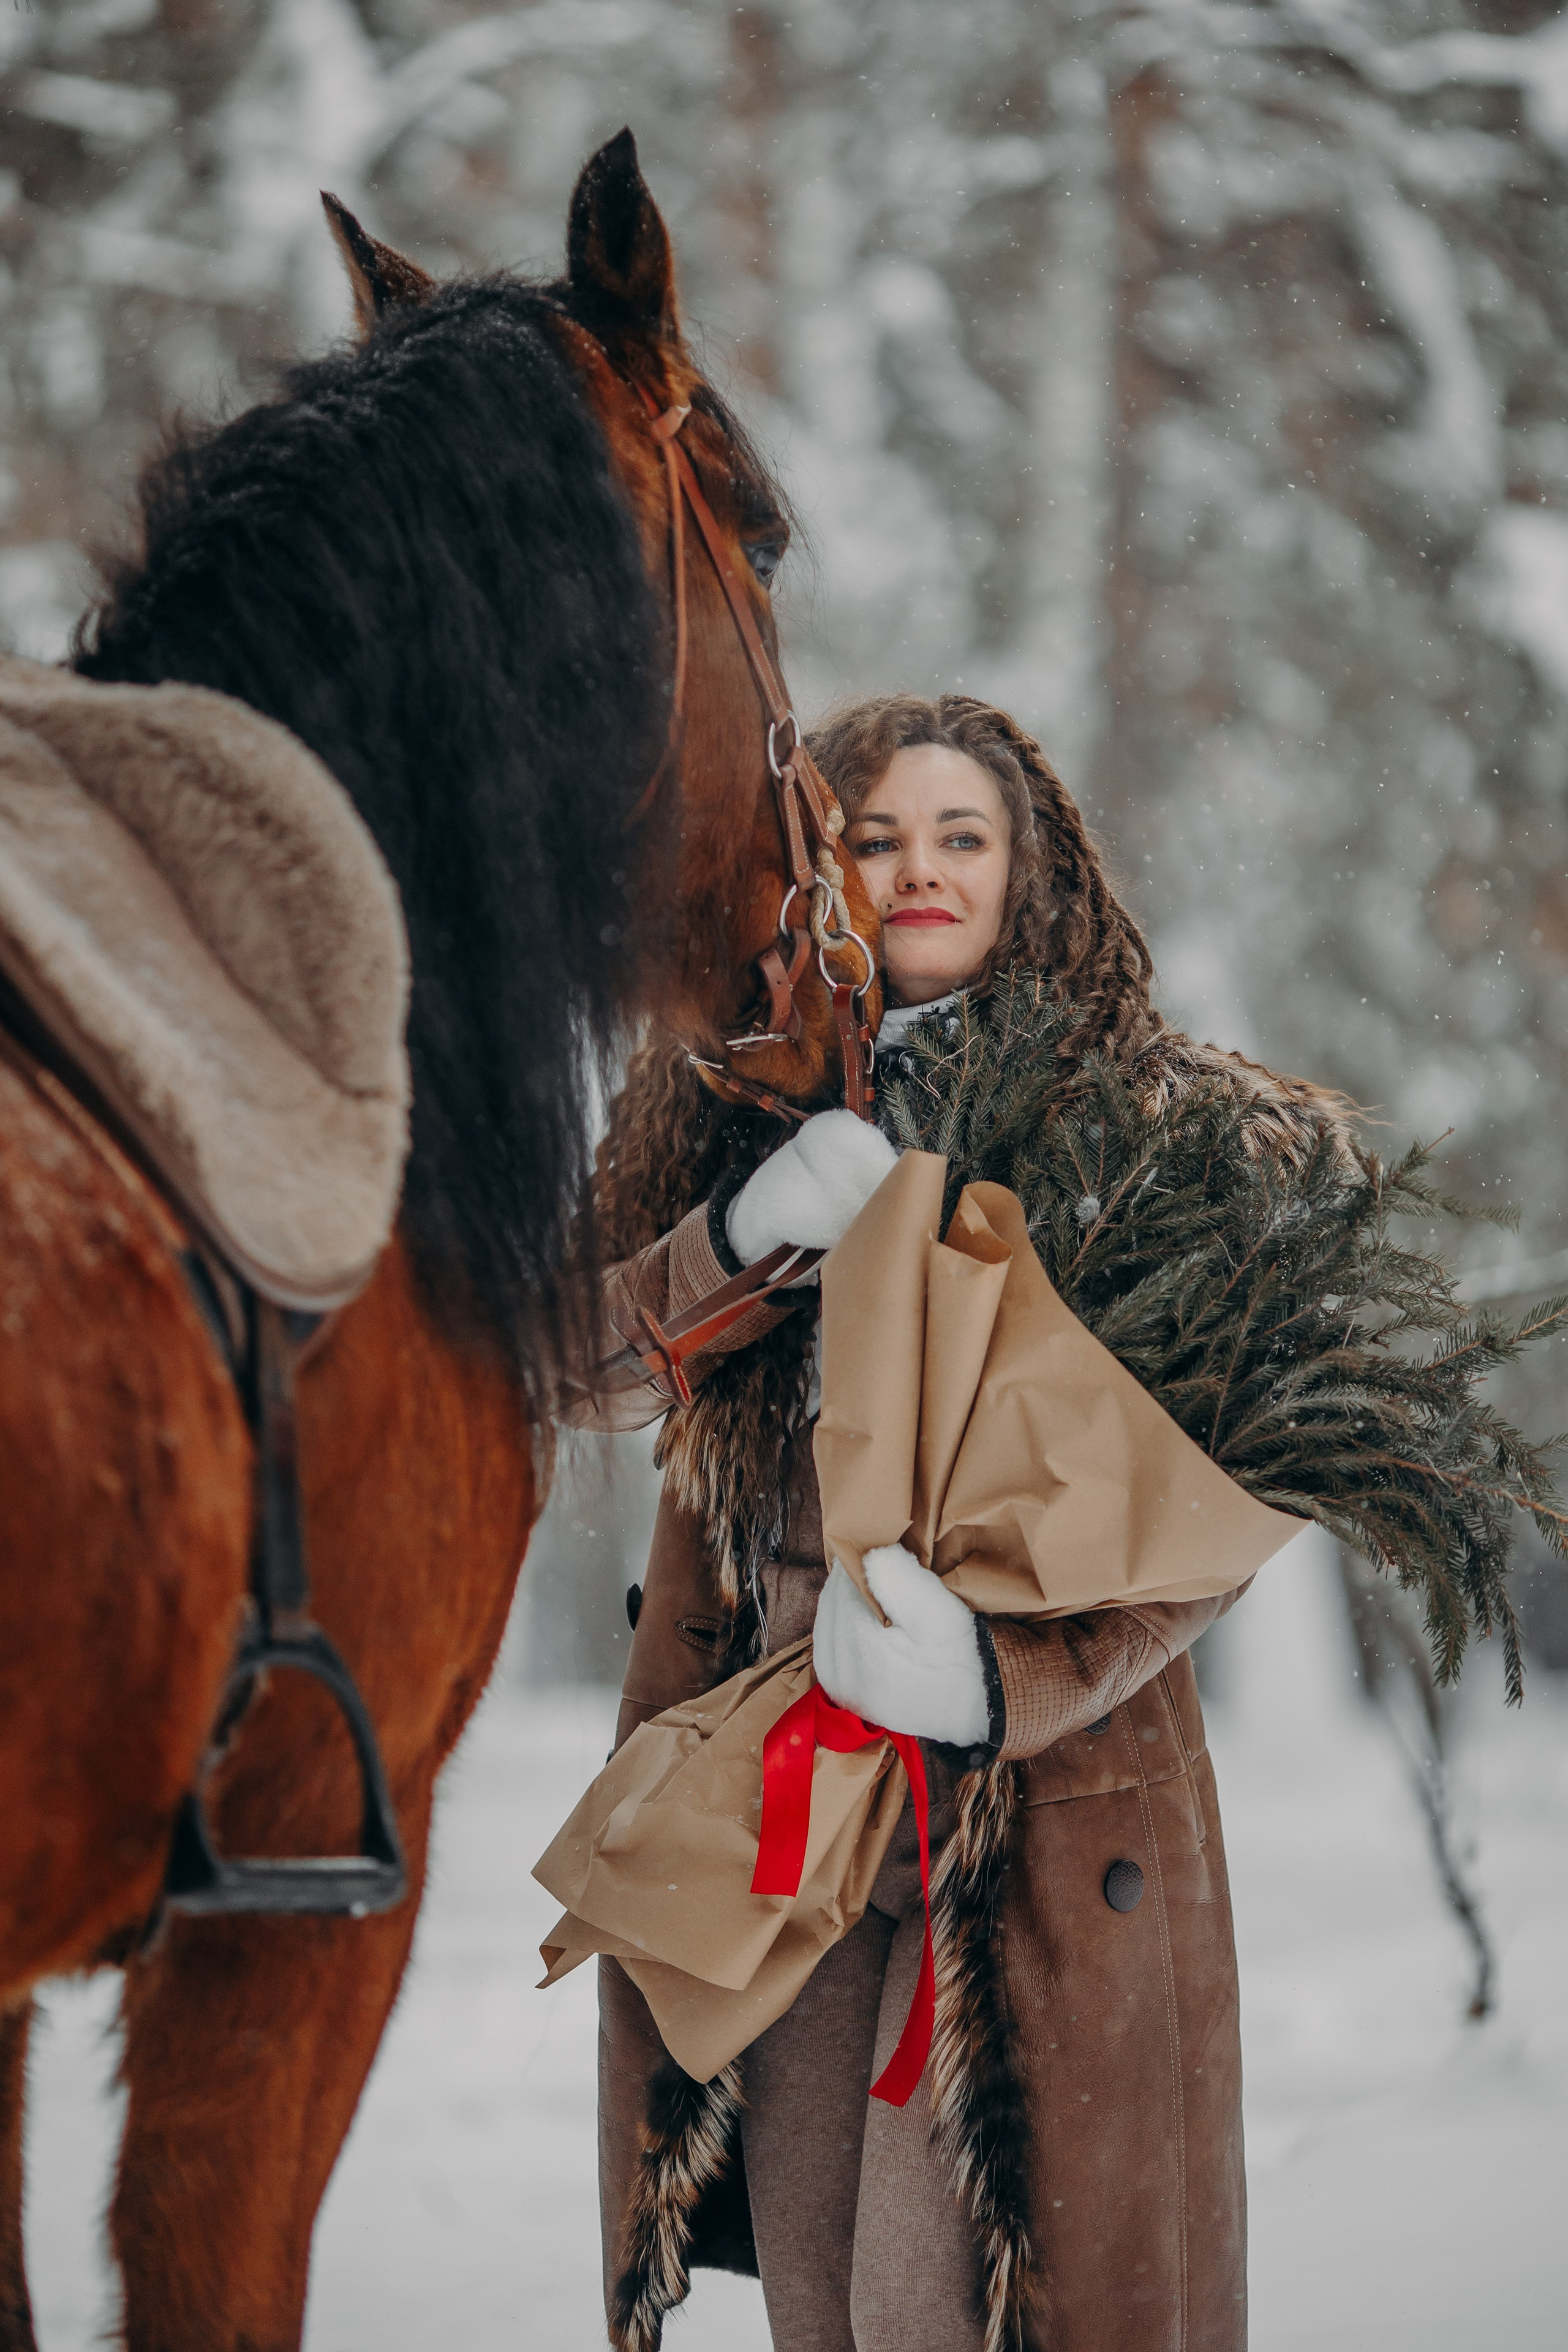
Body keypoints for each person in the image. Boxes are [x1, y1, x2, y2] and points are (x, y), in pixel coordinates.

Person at [570, 694, 1335, 2352]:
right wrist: (745, 1225)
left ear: (1027, 866)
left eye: (960, 837)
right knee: (834, 2310)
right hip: (788, 1821)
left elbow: (1219, 1495)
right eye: (875, 836)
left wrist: (1000, 1682)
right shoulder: (730, 1110)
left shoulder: (1144, 1126)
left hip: (1043, 1819)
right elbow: (570, 1366)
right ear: (818, 870)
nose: (919, 869)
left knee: (987, 2305)